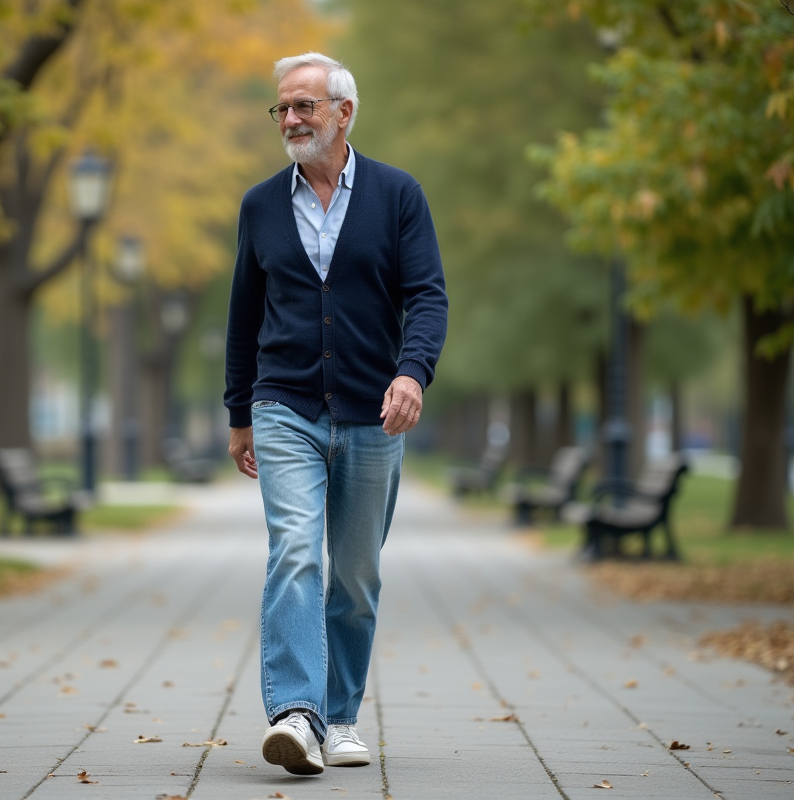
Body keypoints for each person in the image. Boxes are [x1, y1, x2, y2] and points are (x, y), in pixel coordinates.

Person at [224, 52, 448, 775]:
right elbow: (243, 316)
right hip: (284, 404)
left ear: (343, 112)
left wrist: (411, 372)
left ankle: (341, 716)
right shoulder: (260, 205)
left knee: (354, 576)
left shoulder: (397, 195)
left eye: (304, 107)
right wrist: (239, 412)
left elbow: (428, 295)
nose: (290, 120)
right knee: (295, 549)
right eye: (281, 109)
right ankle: (296, 711)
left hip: (371, 414)